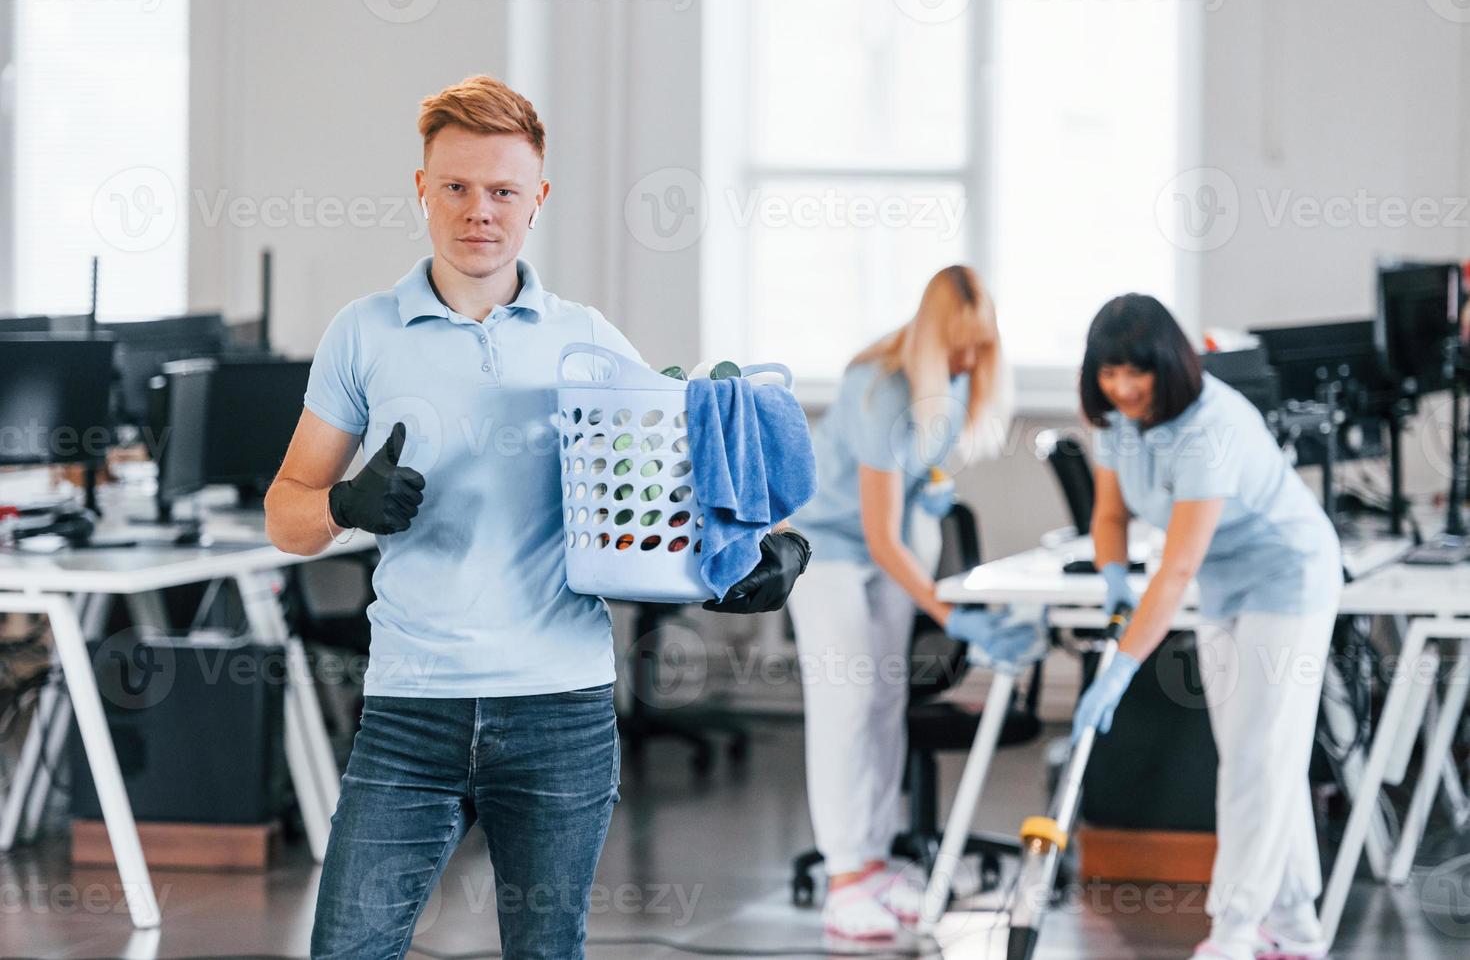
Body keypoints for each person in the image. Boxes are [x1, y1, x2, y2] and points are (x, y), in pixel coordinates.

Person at [263, 75, 809, 960]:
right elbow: (285, 517)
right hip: (411, 707)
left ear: (538, 200)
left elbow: (670, 503)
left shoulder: (588, 341)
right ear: (421, 190)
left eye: (504, 191)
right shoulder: (361, 335)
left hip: (559, 710)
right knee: (347, 948)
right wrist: (343, 504)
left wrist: (760, 555)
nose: (480, 210)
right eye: (457, 187)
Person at [1072, 294, 1341, 960]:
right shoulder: (1117, 423)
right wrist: (1111, 578)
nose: (1124, 387)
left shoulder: (1211, 426)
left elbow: (1177, 568)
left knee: (1258, 755)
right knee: (1256, 754)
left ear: (1170, 364)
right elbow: (1109, 517)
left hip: (1289, 576)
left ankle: (1235, 931)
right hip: (1226, 585)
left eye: (1137, 372)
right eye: (1110, 372)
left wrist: (1121, 668)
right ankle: (1297, 923)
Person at [786, 265, 1046, 940]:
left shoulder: (955, 381)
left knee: (883, 704)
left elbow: (916, 481)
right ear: (931, 337)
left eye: (978, 348)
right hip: (832, 549)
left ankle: (874, 861)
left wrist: (930, 492)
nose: (966, 362)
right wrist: (950, 613)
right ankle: (844, 878)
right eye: (957, 347)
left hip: (894, 547)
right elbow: (877, 536)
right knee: (845, 705)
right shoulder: (876, 386)